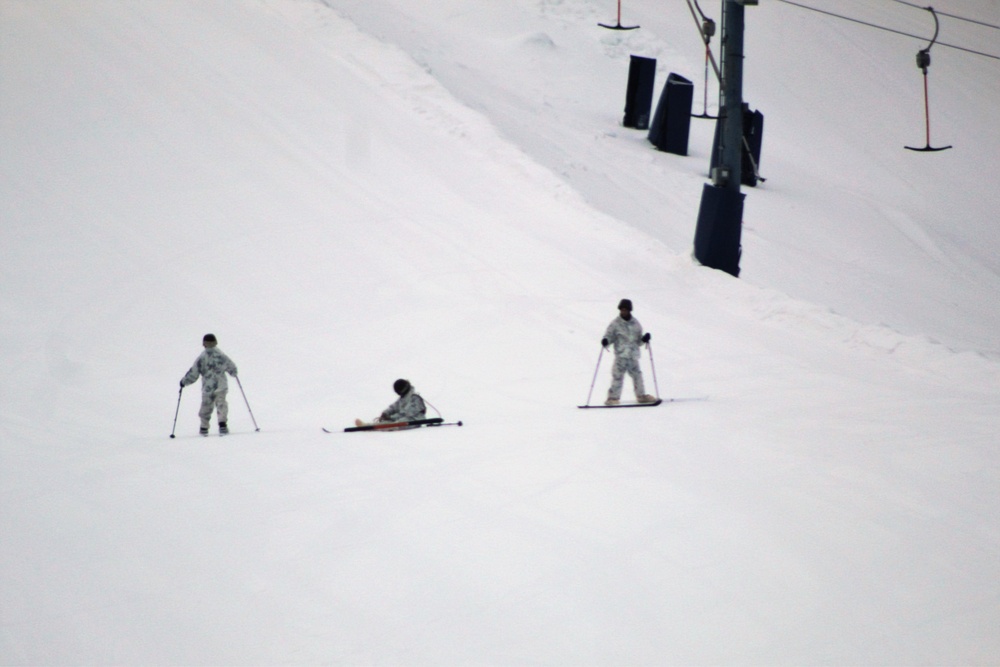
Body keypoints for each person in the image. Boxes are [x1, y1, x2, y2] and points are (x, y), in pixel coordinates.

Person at [180, 333, 238, 435]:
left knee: (206, 405)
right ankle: (222, 424)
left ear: (204, 344)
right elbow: (231, 366)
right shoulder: (220, 355)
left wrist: (184, 382)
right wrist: (233, 372)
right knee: (221, 404)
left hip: (208, 387)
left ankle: (204, 427)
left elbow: (194, 373)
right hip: (221, 384)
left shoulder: (202, 357)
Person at [601, 299, 656, 405]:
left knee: (637, 376)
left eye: (626, 309)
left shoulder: (635, 324)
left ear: (630, 310)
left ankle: (641, 396)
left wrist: (644, 339)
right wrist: (605, 341)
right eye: (622, 309)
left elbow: (638, 340)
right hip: (621, 356)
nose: (623, 311)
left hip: (633, 356)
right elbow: (609, 336)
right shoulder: (615, 324)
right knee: (617, 376)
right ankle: (612, 398)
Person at [355, 379, 427, 427]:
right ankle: (370, 425)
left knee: (395, 423)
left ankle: (372, 426)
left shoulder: (415, 398)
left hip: (415, 420)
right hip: (403, 419)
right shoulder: (402, 399)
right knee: (392, 422)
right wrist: (386, 413)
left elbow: (407, 413)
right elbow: (394, 407)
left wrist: (391, 417)